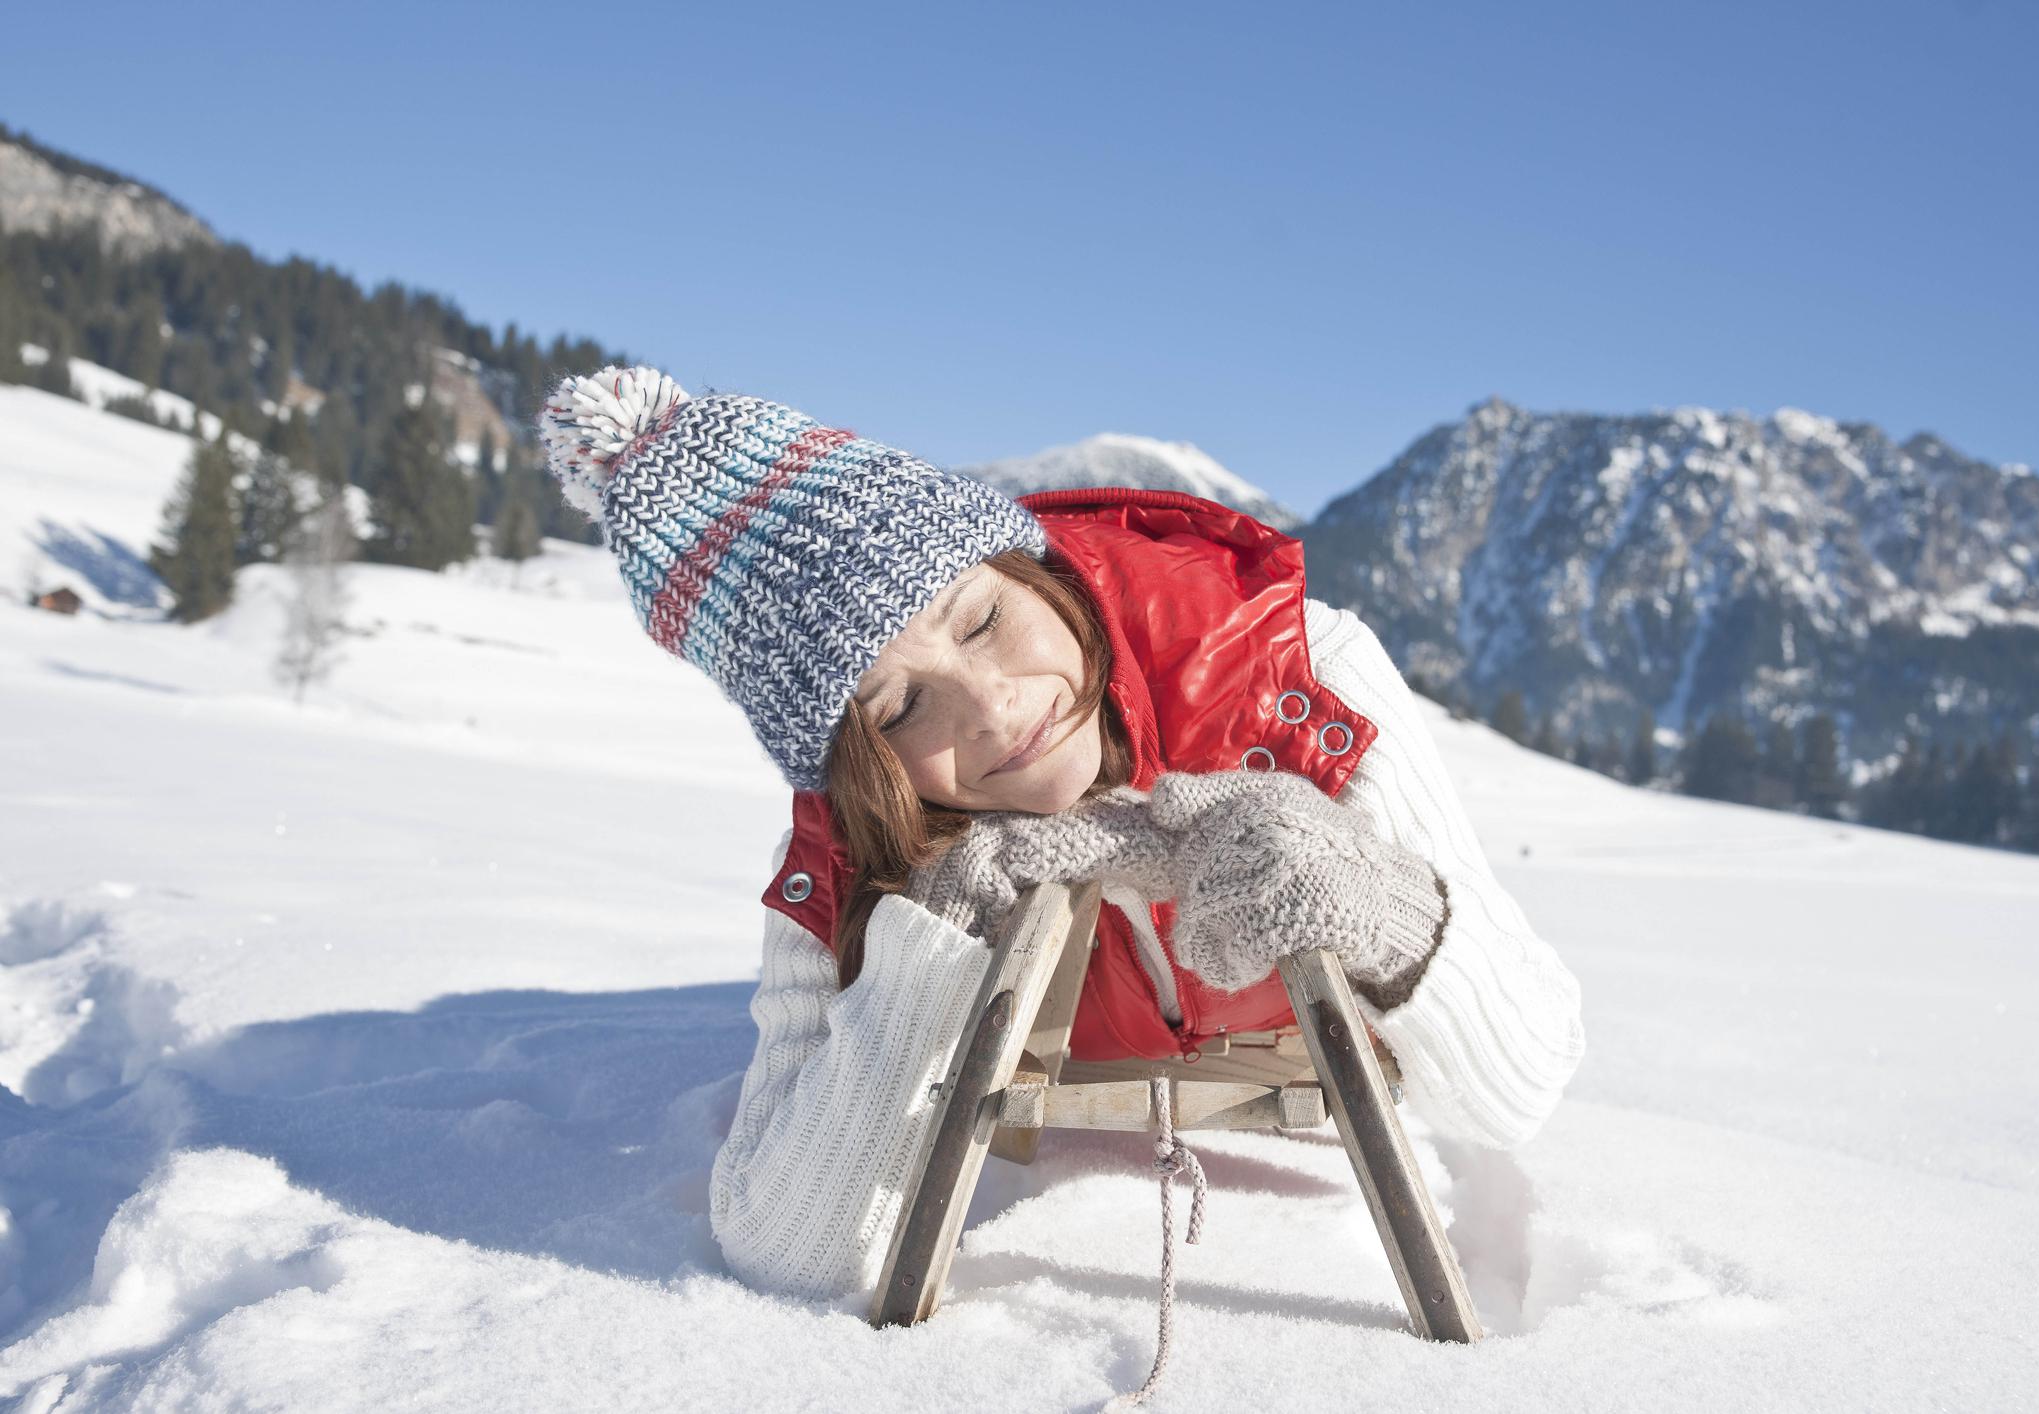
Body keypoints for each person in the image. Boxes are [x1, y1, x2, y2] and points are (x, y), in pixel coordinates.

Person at [538, 365, 1586, 1304]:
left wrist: (1382, 906)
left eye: (983, 621)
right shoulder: (857, 832)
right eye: (900, 707)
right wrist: (930, 928)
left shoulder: (1298, 684)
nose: (994, 713)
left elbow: (1527, 1081)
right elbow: (787, 1244)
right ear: (848, 760)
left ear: (1025, 563)